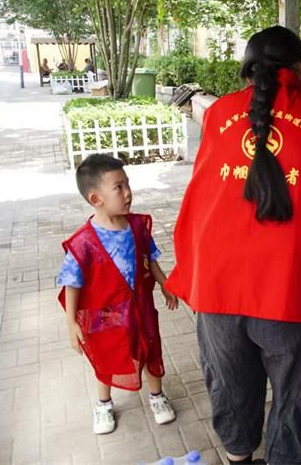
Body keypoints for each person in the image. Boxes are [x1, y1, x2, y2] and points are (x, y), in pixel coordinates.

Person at [164, 26, 301, 464]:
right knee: (297, 392)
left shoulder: (218, 114)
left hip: (217, 286)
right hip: (290, 289)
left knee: (230, 387)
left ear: (248, 70)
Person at [56, 154, 178, 435]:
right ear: (95, 198)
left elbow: (150, 258)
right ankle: (103, 403)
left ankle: (157, 396)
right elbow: (71, 283)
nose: (128, 193)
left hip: (141, 308)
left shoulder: (137, 227)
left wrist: (164, 283)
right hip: (106, 314)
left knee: (150, 348)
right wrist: (71, 323)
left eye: (127, 184)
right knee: (106, 356)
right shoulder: (84, 242)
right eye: (118, 187)